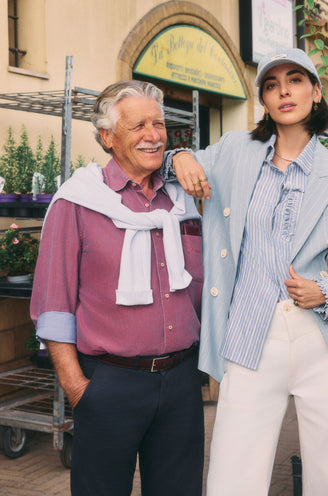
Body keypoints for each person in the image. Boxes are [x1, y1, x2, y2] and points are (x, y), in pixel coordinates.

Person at [164, 48, 328, 495]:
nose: (283, 90)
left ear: (316, 92)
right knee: (231, 478)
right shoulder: (234, 153)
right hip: (249, 332)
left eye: (296, 79)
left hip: (326, 339)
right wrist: (180, 155)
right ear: (263, 99)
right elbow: (175, 168)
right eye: (271, 83)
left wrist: (325, 291)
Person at [30, 80, 204, 496]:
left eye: (159, 124)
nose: (153, 134)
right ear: (108, 137)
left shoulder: (185, 201)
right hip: (109, 384)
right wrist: (78, 389)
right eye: (138, 125)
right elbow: (53, 305)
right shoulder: (77, 202)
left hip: (181, 383)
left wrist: (183, 155)